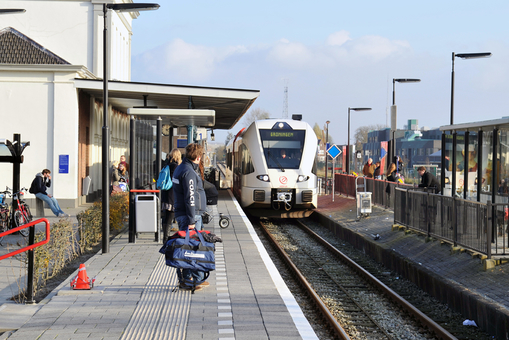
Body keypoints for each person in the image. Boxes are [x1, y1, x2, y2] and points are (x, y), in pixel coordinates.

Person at [172, 143, 208, 290]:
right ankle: (187, 280)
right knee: (189, 249)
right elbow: (190, 197)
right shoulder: (189, 172)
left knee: (194, 247)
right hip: (190, 216)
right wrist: (191, 220)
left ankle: (197, 277)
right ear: (198, 157)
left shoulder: (182, 168)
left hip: (188, 214)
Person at [161, 148, 182, 237]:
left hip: (165, 192)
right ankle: (166, 238)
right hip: (172, 194)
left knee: (165, 217)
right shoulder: (176, 166)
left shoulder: (167, 164)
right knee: (170, 216)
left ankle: (165, 237)